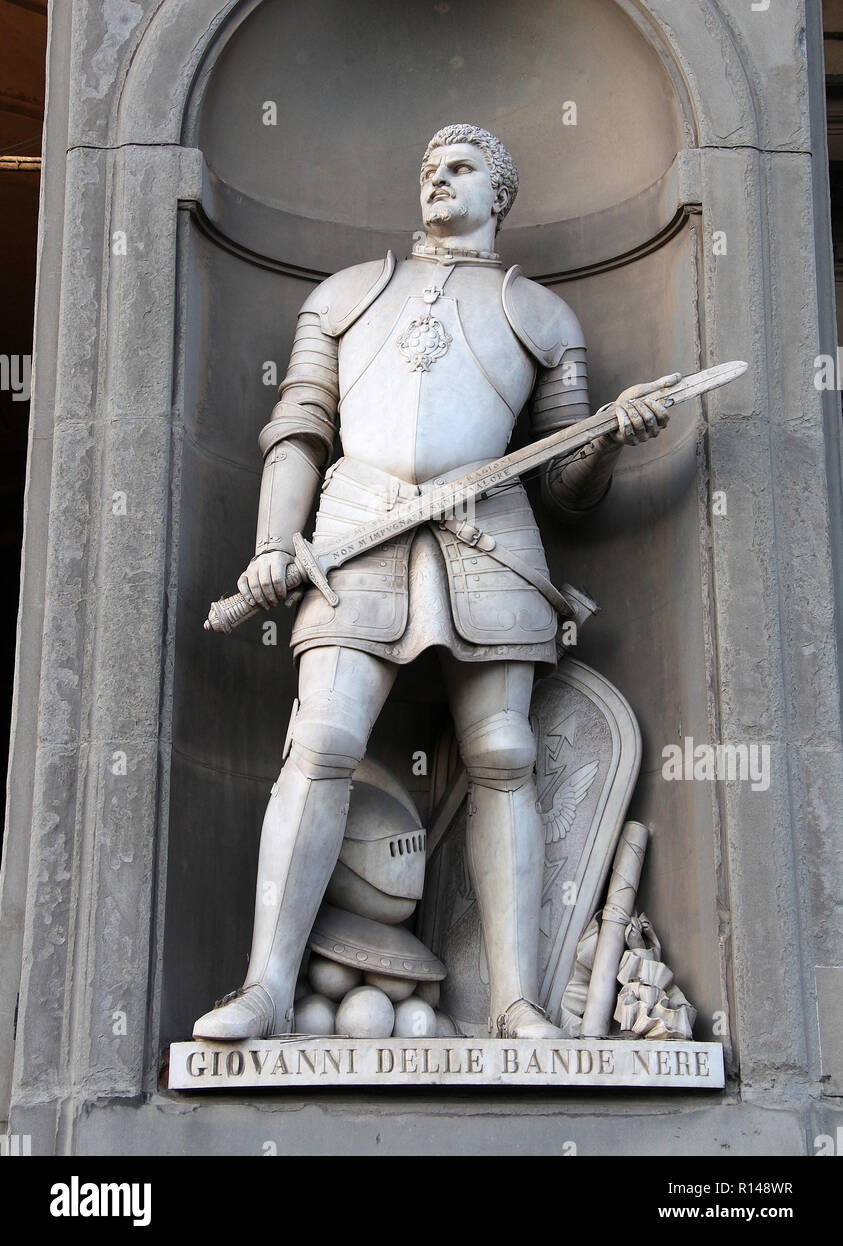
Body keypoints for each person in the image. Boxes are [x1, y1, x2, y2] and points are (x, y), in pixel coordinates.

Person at [193, 124, 672, 1041]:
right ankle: (265, 988)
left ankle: (516, 1001)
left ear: (498, 193)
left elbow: (567, 489)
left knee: (504, 759)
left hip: (487, 534)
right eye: (427, 169)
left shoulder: (541, 314)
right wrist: (272, 543)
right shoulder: (344, 292)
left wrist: (609, 434)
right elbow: (300, 426)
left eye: (457, 169)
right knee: (323, 742)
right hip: (356, 523)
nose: (435, 181)